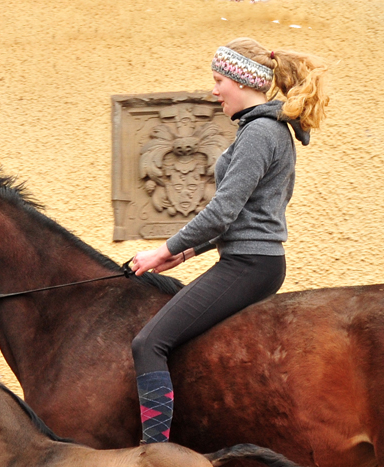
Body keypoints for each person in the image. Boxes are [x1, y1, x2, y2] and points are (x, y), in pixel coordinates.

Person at [130, 37, 328, 443]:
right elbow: (236, 218)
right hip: (253, 261)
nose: (214, 90)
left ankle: (155, 457)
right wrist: (182, 254)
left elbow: (222, 212)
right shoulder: (265, 129)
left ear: (243, 81)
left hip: (249, 265)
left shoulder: (259, 132)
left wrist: (161, 251)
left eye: (219, 80)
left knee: (148, 343)